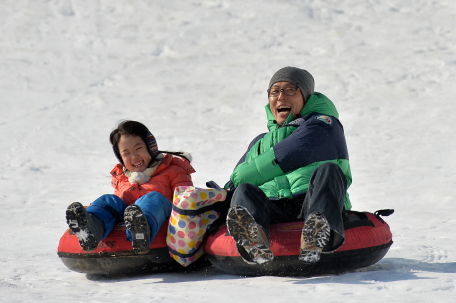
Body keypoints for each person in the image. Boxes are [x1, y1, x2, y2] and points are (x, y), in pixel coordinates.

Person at [224, 67, 352, 265]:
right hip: (273, 206)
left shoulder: (324, 124)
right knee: (245, 190)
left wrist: (240, 177)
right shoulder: (259, 142)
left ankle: (317, 233)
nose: (281, 96)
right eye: (274, 92)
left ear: (306, 97)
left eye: (290, 90)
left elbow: (288, 153)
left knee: (329, 171)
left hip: (310, 200)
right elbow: (234, 184)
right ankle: (255, 240)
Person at [66, 120, 195, 254]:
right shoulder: (121, 175)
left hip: (161, 216)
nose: (134, 157)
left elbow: (187, 199)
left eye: (138, 149)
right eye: (126, 153)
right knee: (109, 200)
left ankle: (141, 231)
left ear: (151, 147)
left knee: (154, 198)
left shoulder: (173, 169)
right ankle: (91, 226)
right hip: (127, 217)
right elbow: (116, 207)